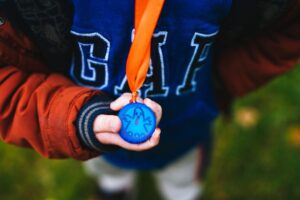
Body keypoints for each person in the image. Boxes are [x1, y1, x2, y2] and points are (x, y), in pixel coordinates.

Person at [0, 0, 299, 199]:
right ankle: (113, 190)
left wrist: (221, 82)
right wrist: (76, 118)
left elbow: (287, 30)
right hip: (96, 138)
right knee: (108, 171)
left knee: (182, 182)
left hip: (187, 132)